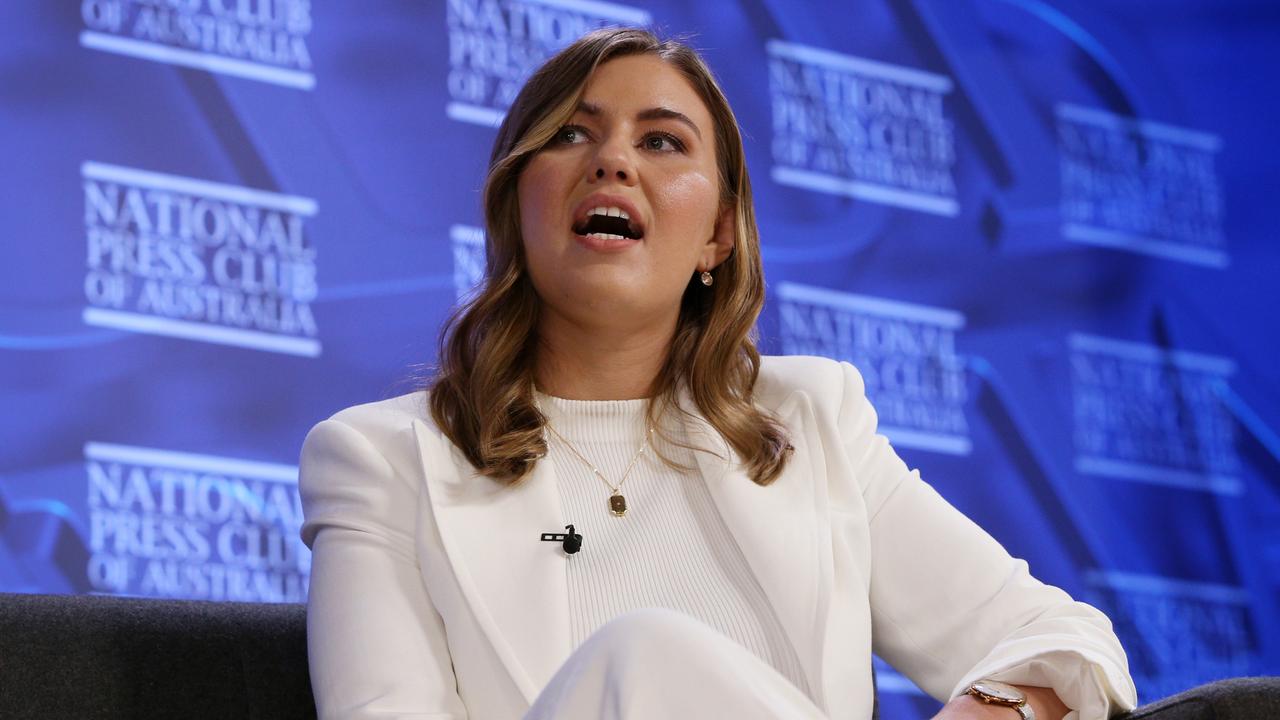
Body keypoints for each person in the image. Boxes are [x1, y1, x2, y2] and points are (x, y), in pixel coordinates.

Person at [298, 28, 1138, 720]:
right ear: (516, 205)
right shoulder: (380, 460)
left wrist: (996, 706)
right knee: (643, 652)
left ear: (718, 238)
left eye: (661, 141)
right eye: (570, 134)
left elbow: (1063, 639)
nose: (613, 162)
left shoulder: (812, 423)